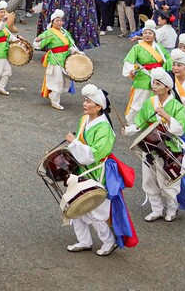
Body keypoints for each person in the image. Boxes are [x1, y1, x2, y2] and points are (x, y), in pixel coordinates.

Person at [62, 84, 137, 255]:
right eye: (84, 100)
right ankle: (84, 240)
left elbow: (94, 155)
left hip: (98, 171)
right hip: (82, 169)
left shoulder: (104, 128)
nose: (84, 104)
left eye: (88, 101)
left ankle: (109, 242)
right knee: (75, 204)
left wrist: (74, 143)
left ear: (99, 106)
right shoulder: (84, 119)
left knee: (96, 209)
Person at [121, 69, 185, 222]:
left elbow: (180, 129)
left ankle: (172, 208)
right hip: (150, 147)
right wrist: (129, 130)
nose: (154, 86)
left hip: (169, 148)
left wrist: (166, 116)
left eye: (158, 83)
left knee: (167, 181)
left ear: (167, 87)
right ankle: (156, 209)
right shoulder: (149, 103)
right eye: (153, 82)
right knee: (148, 180)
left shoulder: (178, 106)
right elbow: (141, 123)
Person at [32, 9, 81, 111]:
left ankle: (54, 97)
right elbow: (37, 45)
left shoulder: (65, 32)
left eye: (61, 21)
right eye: (57, 21)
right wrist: (37, 41)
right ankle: (55, 101)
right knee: (56, 81)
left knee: (64, 81)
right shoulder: (49, 32)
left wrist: (76, 52)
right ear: (52, 22)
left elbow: (70, 45)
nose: (59, 23)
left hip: (66, 59)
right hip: (55, 59)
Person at [121, 19, 171, 119]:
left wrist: (165, 72)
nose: (147, 35)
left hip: (158, 77)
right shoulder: (137, 47)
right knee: (139, 100)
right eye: (145, 33)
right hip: (143, 75)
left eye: (150, 33)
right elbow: (128, 60)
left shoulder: (159, 47)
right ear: (142, 35)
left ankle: (151, 120)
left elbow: (168, 60)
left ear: (154, 35)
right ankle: (133, 120)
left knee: (155, 100)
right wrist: (131, 69)